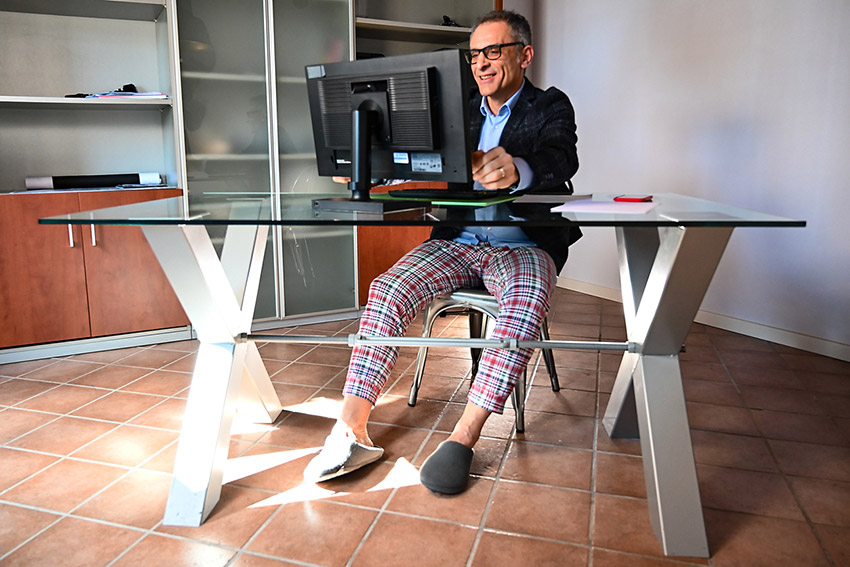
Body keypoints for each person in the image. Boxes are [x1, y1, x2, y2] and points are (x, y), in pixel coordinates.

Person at [304, 10, 580, 494]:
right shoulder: (462, 106)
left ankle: (463, 437)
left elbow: (562, 156)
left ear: (524, 55)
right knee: (387, 289)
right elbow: (419, 152)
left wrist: (520, 167)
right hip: (458, 240)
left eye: (493, 51)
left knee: (528, 301)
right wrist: (371, 166)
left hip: (523, 244)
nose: (481, 64)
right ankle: (350, 430)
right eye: (475, 55)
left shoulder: (550, 105)